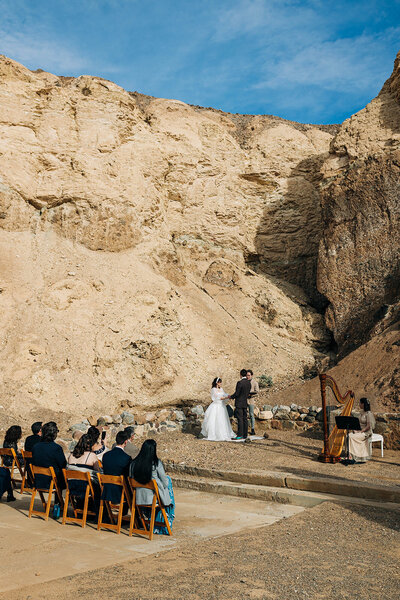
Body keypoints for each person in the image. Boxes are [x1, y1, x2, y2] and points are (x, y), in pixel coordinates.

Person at [129, 439, 175, 534]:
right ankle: (164, 520)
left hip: (138, 497)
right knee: (168, 481)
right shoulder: (156, 463)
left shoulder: (133, 463)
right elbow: (165, 483)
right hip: (152, 498)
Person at [32, 421, 67, 492]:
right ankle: (60, 502)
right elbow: (63, 465)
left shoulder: (35, 446)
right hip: (52, 482)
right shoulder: (56, 448)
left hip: (38, 481)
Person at [101, 430, 131, 504]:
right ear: (126, 442)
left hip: (106, 491)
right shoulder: (127, 458)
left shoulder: (106, 455)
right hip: (120, 492)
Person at [201, 377, 235, 441]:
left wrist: (228, 396)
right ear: (217, 382)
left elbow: (224, 394)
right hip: (216, 406)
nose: (221, 384)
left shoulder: (221, 389)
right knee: (214, 419)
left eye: (221, 382)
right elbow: (217, 397)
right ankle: (215, 434)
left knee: (222, 419)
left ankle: (222, 433)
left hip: (221, 406)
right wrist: (225, 397)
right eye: (220, 382)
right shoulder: (213, 389)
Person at [348, 398, 376, 463]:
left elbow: (368, 427)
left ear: (363, 404)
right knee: (349, 435)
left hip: (366, 433)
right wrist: (356, 429)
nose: (359, 404)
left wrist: (360, 432)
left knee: (351, 436)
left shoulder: (368, 414)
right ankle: (352, 455)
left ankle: (357, 456)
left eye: (360, 403)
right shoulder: (361, 412)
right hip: (360, 430)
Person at [229, 369, 252, 440]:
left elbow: (237, 393)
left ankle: (239, 434)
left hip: (239, 403)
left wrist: (231, 397)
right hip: (245, 403)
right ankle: (245, 434)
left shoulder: (240, 383)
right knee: (245, 419)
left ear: (240, 374)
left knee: (240, 419)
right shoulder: (249, 383)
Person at [246, 370, 259, 436]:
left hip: (251, 400)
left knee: (251, 414)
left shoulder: (255, 383)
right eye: (247, 375)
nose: (247, 376)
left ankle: (252, 429)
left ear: (251, 375)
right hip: (245, 400)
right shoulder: (244, 382)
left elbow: (257, 392)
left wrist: (251, 395)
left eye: (249, 375)